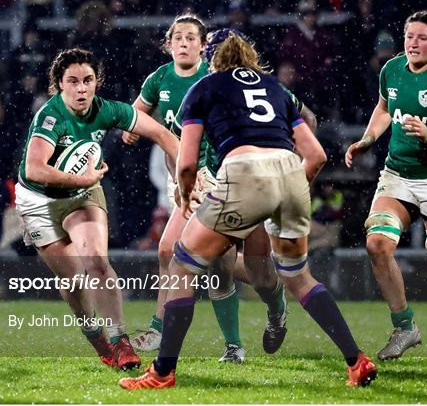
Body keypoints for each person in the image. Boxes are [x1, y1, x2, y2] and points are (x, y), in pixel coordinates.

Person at [119, 32, 377, 390]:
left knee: (181, 264)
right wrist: (290, 187)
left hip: (242, 174)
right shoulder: (274, 88)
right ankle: (356, 361)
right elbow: (316, 155)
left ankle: (162, 373)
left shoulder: (204, 88)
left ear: (211, 58)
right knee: (299, 276)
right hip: (289, 172)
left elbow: (187, 160)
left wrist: (186, 194)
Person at [124, 16, 313, 363]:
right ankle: (213, 341)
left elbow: (303, 117)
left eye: (192, 38)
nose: (184, 43)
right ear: (168, 44)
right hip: (192, 177)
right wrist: (131, 126)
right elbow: (161, 132)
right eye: (176, 37)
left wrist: (288, 150)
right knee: (179, 252)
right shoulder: (163, 79)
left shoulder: (225, 82)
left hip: (235, 177)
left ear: (205, 47)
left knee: (251, 268)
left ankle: (274, 307)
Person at [15, 48, 179, 370]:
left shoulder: (108, 110)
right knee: (74, 279)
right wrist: (79, 177)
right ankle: (95, 335)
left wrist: (187, 177)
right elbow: (34, 169)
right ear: (59, 85)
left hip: (83, 193)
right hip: (38, 201)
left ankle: (120, 340)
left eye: (87, 80)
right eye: (72, 81)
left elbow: (162, 134)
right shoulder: (50, 117)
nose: (81, 88)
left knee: (96, 263)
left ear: (96, 82)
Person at [345, 11, 427, 361]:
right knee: (376, 243)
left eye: (421, 38)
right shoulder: (391, 70)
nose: (412, 43)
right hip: (398, 175)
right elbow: (384, 107)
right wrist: (367, 139)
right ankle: (405, 327)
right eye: (409, 36)